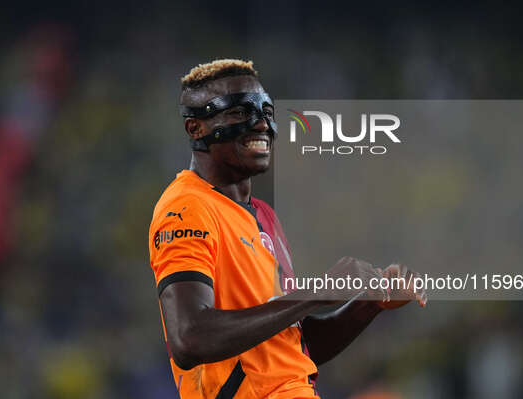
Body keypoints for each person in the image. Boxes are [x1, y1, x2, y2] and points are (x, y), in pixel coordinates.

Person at [148, 59, 426, 399]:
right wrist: (315, 292)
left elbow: (291, 348)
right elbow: (189, 339)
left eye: (266, 111)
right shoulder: (187, 207)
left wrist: (369, 303)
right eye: (239, 112)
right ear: (195, 128)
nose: (261, 124)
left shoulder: (264, 216)